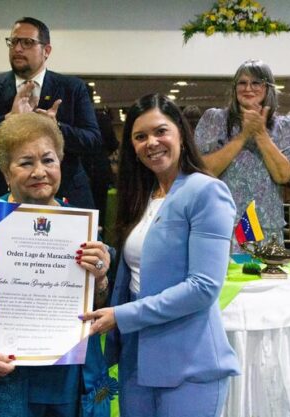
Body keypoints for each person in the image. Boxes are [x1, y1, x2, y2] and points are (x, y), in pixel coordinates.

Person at [0, 113, 112, 417]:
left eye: (48, 160)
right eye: (26, 163)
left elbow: (99, 305)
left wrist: (102, 280)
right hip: (3, 378)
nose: (39, 171)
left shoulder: (80, 227)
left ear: (60, 164)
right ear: (6, 173)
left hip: (69, 381)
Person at [83, 94, 239, 417]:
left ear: (181, 133)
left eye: (160, 131)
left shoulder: (206, 191)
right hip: (135, 360)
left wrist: (122, 316)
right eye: (140, 137)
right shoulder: (141, 195)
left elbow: (204, 287)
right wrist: (103, 264)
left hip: (188, 363)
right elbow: (137, 265)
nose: (151, 143)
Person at [0, 16, 101, 210]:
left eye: (27, 42)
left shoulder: (72, 88)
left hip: (64, 197)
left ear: (46, 50)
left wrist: (55, 127)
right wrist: (8, 119)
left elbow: (93, 141)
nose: (18, 49)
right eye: (13, 42)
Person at [194, 59, 290, 252]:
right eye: (242, 83)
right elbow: (204, 170)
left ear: (268, 88)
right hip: (221, 225)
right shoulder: (214, 119)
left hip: (267, 228)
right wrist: (243, 136)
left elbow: (283, 175)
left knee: (267, 282)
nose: (248, 88)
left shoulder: (285, 125)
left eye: (256, 83)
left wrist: (260, 133)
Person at [81, 84, 119, 229]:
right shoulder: (101, 118)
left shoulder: (73, 119)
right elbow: (113, 144)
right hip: (99, 168)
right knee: (99, 208)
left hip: (80, 169)